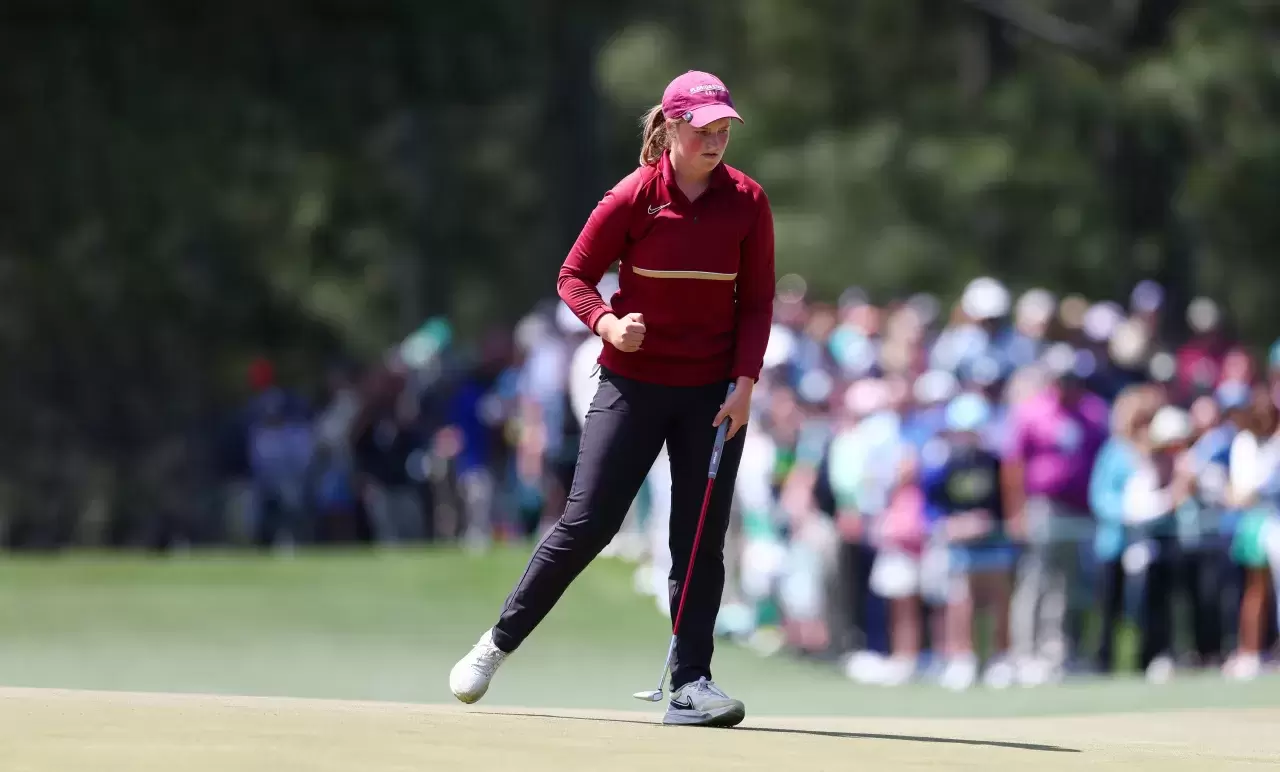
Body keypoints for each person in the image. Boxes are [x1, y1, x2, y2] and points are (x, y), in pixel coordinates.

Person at [449, 70, 775, 727]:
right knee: (588, 522)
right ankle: (496, 645)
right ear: (673, 129)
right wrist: (606, 324)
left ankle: (691, 683)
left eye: (724, 130)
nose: (717, 140)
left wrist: (745, 385)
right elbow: (573, 275)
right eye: (705, 129)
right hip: (633, 383)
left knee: (699, 539)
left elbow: (758, 301)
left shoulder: (746, 201)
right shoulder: (634, 197)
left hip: (712, 393)